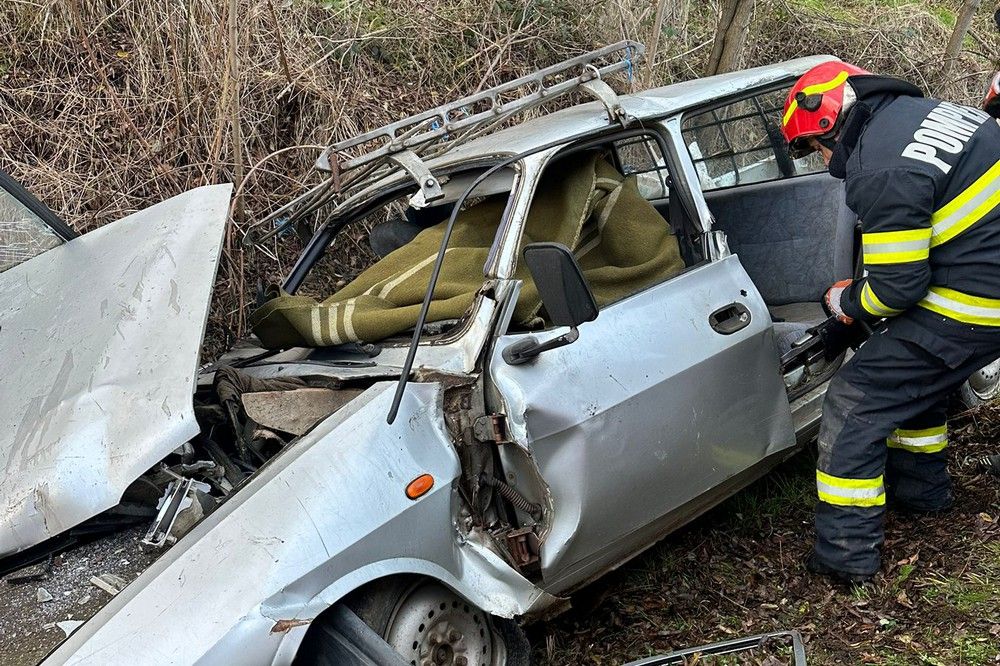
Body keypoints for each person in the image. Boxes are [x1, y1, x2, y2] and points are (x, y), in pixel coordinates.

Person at [781, 60, 1000, 584]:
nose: (826, 160)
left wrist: (846, 304)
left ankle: (844, 561)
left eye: (818, 148)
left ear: (832, 120)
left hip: (976, 305)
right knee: (911, 381)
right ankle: (923, 497)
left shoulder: (879, 168)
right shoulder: (935, 115)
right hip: (984, 277)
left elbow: (896, 288)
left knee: (856, 402)